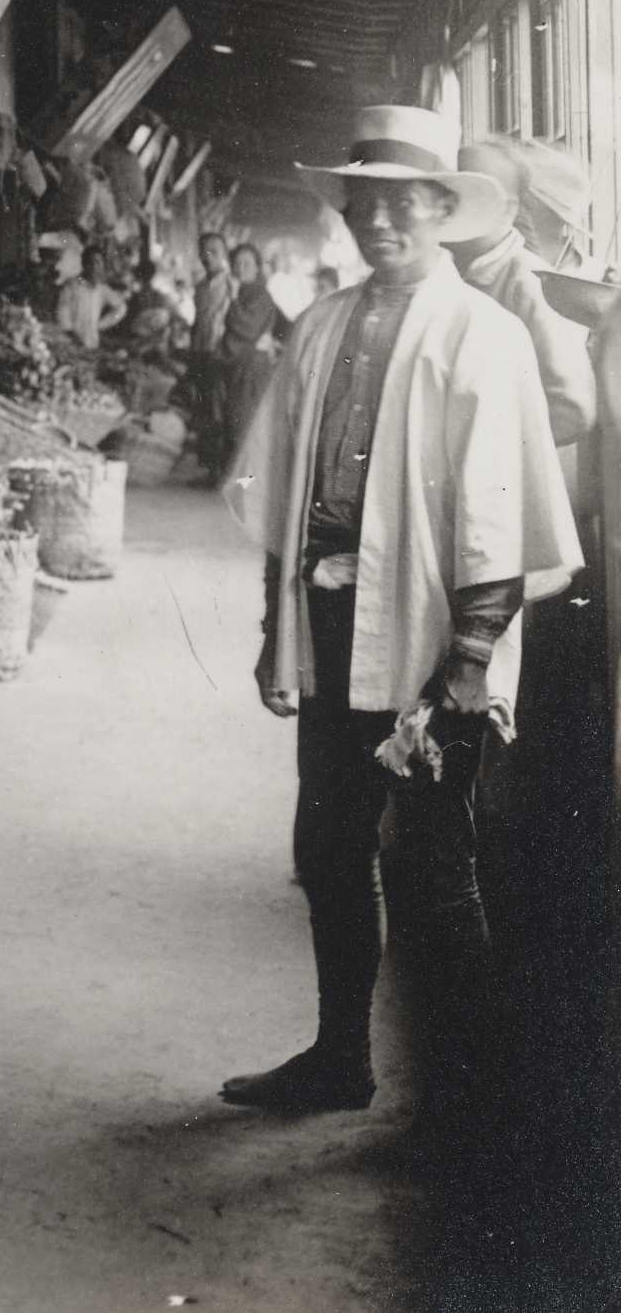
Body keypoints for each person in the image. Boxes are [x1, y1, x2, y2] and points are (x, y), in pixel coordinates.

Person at [221, 105, 580, 1119]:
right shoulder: (324, 326)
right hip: (333, 623)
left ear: (440, 211)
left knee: (431, 864)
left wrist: (468, 663)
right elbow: (286, 495)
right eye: (364, 203)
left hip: (435, 636)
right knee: (327, 848)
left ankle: (467, 1098)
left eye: (403, 205)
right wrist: (273, 638)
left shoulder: (484, 335)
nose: (380, 222)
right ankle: (342, 1057)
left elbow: (498, 515)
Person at [453, 140, 595, 446]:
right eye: (448, 197)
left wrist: (494, 450)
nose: (452, 211)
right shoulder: (449, 272)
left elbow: (573, 408)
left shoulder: (530, 283)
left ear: (509, 209)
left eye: (472, 198)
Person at [218, 242, 289, 464]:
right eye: (237, 264)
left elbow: (245, 327)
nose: (241, 269)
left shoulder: (260, 296)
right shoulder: (243, 293)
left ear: (258, 267)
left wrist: (233, 299)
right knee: (236, 420)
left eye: (247, 264)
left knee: (245, 422)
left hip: (252, 369)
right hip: (239, 365)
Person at [189, 233, 235, 472]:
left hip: (220, 355)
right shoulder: (200, 288)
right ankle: (209, 468)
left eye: (214, 251)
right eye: (204, 251)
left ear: (224, 254)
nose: (208, 257)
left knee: (219, 411)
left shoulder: (231, 285)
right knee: (203, 409)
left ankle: (221, 468)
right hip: (200, 353)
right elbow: (198, 322)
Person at [54, 248, 127, 348]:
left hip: (91, 342)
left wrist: (100, 325)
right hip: (70, 341)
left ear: (102, 265)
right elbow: (62, 311)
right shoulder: (71, 285)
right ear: (83, 264)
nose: (93, 266)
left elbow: (121, 308)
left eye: (97, 262)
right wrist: (71, 334)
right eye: (90, 262)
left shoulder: (101, 289)